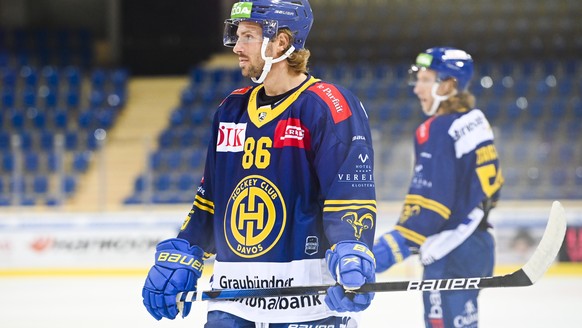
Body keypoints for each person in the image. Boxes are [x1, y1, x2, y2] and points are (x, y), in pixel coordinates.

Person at [141, 0, 377, 327]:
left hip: (306, 303)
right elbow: (210, 200)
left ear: (281, 42)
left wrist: (353, 251)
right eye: (237, 36)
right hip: (233, 301)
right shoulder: (230, 110)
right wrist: (186, 248)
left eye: (248, 36)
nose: (237, 46)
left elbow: (349, 197)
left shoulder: (328, 106)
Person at [372, 47, 503, 328]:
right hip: (478, 246)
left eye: (425, 80)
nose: (417, 88)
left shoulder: (436, 130)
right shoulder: (477, 120)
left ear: (448, 85)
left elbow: (428, 212)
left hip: (450, 252)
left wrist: (378, 256)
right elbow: (492, 191)